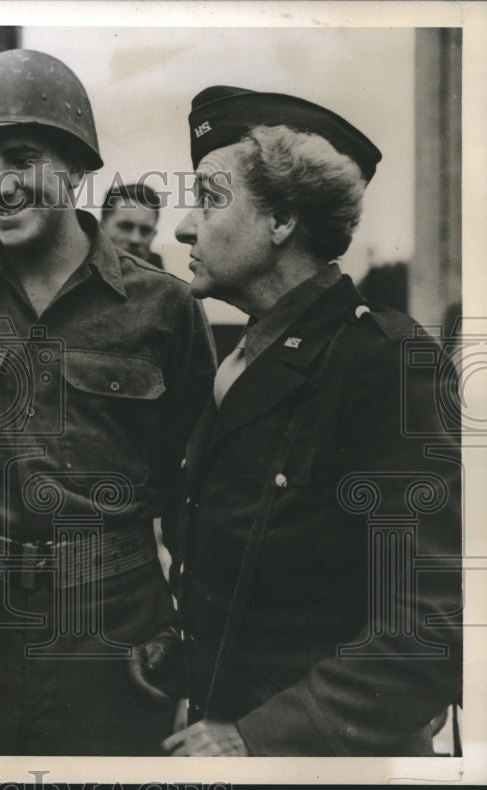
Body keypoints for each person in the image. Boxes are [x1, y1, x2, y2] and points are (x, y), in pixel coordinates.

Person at [0, 49, 216, 755]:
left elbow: (201, 487)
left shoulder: (165, 310)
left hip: (112, 629)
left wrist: (195, 634)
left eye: (21, 159)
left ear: (75, 166)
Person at [163, 86, 462, 756]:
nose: (183, 227)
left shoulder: (386, 363)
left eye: (208, 199)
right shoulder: (239, 362)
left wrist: (254, 739)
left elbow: (431, 627)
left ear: (280, 220)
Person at [101, 182, 164, 269]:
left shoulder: (162, 276)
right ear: (101, 228)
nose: (135, 239)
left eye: (145, 230)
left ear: (154, 235)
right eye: (125, 227)